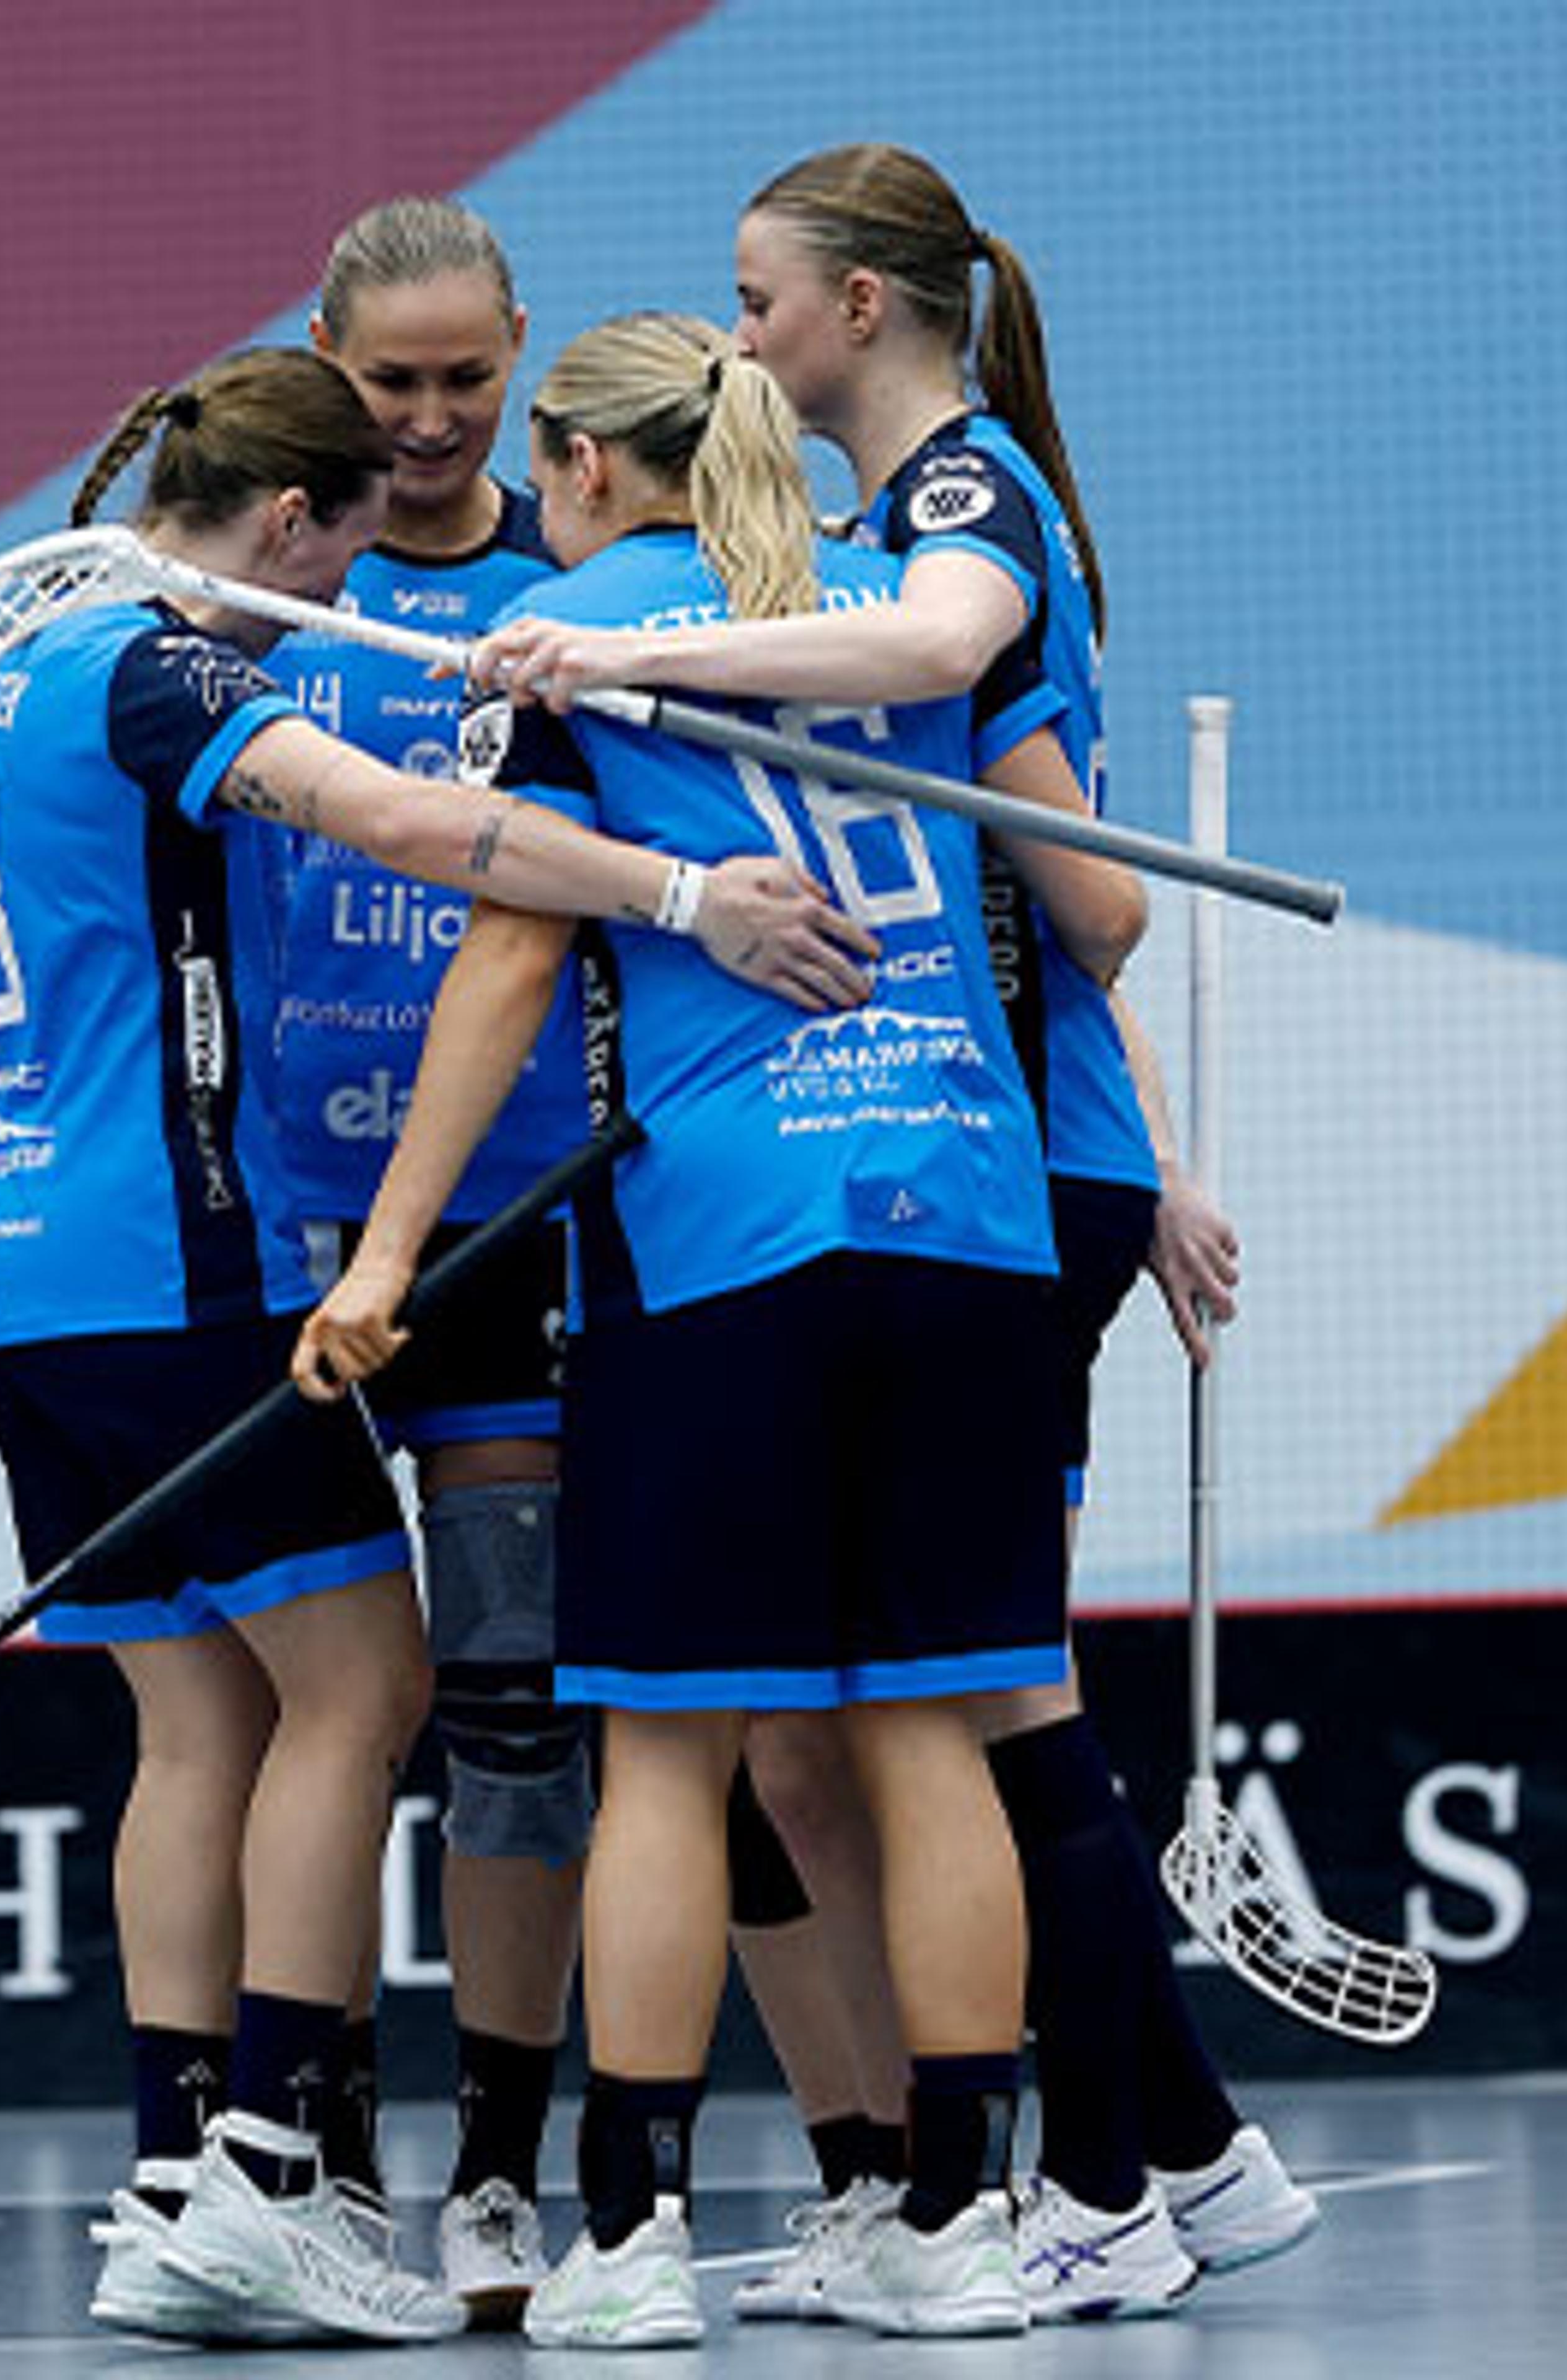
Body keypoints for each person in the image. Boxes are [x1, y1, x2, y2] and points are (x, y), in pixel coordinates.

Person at [0, 342, 875, 2348]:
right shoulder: (170, 671)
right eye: (340, 560)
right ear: (282, 525)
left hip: (12, 1279)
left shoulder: (33, 669)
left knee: (199, 1727)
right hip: (180, 1268)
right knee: (363, 1693)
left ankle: (171, 2177)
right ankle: (273, 2168)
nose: (344, 604)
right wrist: (686, 889)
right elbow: (412, 827)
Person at [473, 139, 1318, 2323]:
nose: (743, 325)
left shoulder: (947, 524)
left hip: (881, 1188)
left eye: (762, 291)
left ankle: (1106, 2175)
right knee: (926, 1716)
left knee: (947, 1713)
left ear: (860, 304)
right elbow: (1070, 883)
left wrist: (636, 675)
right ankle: (1070, 2173)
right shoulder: (859, 569)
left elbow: (1092, 885)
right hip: (979, 1168)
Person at [296, 310, 1143, 2348]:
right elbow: (1081, 895)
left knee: (670, 1757)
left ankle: (635, 2242)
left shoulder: (569, 640)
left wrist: (394, 1253)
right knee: (937, 1724)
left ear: (584, 468)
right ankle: (955, 2224)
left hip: (720, 1244)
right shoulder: (886, 604)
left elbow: (510, 959)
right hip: (965, 1215)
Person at [262, 196, 584, 2326]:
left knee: (507, 1712)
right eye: (395, 384)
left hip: (516, 1211)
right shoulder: (268, 589)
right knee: (308, 1716)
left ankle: (492, 2174)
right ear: (325, 365)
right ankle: (302, 2162)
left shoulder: (581, 600)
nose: (438, 420)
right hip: (283, 1224)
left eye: (474, 378)